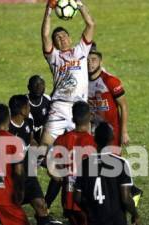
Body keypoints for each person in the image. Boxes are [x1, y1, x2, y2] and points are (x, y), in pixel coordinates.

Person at [40, 0, 95, 146]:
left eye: (64, 35)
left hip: (80, 107)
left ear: (70, 38)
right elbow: (45, 35)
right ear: (54, 43)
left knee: (86, 148)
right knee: (44, 147)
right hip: (59, 106)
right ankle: (40, 168)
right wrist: (49, 9)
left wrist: (79, 4)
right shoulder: (54, 56)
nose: (62, 38)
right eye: (58, 37)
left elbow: (90, 24)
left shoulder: (81, 50)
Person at [74, 122, 140, 225]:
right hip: (116, 221)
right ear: (112, 139)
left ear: (95, 139)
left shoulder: (84, 164)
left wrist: (90, 211)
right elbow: (126, 198)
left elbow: (77, 198)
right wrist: (135, 215)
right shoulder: (121, 163)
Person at [8, 95, 60, 225]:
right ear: (22, 109)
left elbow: (30, 139)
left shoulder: (28, 121)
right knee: (11, 211)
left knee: (41, 206)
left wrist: (41, 152)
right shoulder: (7, 127)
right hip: (13, 175)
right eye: (28, 106)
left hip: (29, 172)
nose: (30, 109)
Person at [51, 101, 96, 225]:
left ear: (72, 118)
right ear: (90, 117)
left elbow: (54, 166)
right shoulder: (93, 143)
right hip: (85, 200)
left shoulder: (61, 140)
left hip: (67, 199)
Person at [87, 46, 129, 147]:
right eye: (87, 60)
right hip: (92, 132)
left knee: (112, 161)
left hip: (111, 132)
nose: (90, 63)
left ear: (100, 62)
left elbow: (124, 106)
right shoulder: (82, 81)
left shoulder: (110, 81)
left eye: (94, 60)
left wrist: (124, 132)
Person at [27, 75, 51, 144]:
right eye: (35, 85)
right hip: (28, 134)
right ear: (28, 87)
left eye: (41, 85)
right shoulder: (24, 102)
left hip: (44, 134)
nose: (38, 87)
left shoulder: (48, 100)